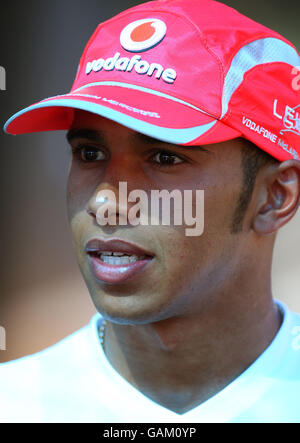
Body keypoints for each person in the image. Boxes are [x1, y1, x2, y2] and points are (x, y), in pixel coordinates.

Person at [1, 0, 300, 423]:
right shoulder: (14, 404)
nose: (105, 203)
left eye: (163, 158)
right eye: (90, 153)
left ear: (274, 196)